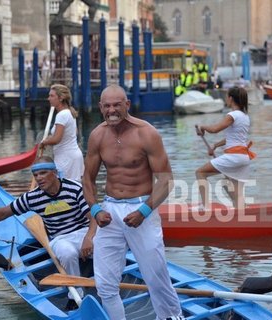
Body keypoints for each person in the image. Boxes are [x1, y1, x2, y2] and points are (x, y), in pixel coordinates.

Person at [83, 84, 184, 320]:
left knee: (156, 276)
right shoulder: (98, 135)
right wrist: (95, 209)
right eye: (106, 106)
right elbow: (87, 178)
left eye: (116, 105)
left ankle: (172, 317)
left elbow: (166, 180)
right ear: (100, 107)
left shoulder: (146, 133)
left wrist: (145, 210)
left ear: (127, 104)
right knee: (105, 283)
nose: (111, 110)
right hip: (108, 212)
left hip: (141, 209)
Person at [0, 156, 96, 310]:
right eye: (36, 175)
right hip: (60, 238)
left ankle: (105, 285)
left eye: (43, 173)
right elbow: (3, 213)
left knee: (107, 248)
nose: (39, 178)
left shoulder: (75, 188)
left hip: (84, 231)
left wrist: (88, 238)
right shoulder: (33, 197)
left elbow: (94, 218)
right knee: (67, 253)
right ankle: (76, 295)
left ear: (54, 172)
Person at [195, 86, 255, 209]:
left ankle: (205, 207)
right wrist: (216, 145)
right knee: (233, 189)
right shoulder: (245, 117)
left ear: (231, 98)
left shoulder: (232, 115)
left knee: (200, 173)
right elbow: (233, 138)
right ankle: (241, 213)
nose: (226, 99)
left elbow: (215, 129)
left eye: (227, 97)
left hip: (234, 157)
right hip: (244, 158)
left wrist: (202, 126)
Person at [40, 84, 84, 182]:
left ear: (61, 98)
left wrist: (44, 142)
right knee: (74, 189)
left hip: (66, 158)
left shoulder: (62, 115)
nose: (48, 98)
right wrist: (49, 139)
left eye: (52, 96)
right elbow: (74, 133)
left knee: (65, 190)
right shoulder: (69, 112)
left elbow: (57, 139)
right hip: (73, 155)